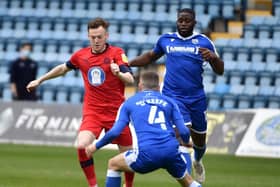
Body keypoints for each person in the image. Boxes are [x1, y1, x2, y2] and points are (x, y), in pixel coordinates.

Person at [26, 18, 135, 187]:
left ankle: (129, 186)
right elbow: (63, 68)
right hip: (94, 112)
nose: (96, 41)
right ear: (88, 36)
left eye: (99, 37)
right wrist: (40, 80)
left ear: (106, 35)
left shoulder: (117, 53)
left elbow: (130, 79)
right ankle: (93, 185)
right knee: (82, 145)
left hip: (117, 113)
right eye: (93, 37)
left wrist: (118, 73)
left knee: (128, 155)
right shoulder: (81, 56)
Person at [128, 8, 224, 183]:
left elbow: (220, 70)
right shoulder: (166, 40)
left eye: (187, 20)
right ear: (177, 21)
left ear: (194, 23)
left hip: (196, 99)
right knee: (181, 133)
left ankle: (197, 160)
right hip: (173, 97)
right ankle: (187, 180)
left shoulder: (204, 42)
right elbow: (150, 56)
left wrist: (214, 58)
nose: (184, 23)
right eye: (181, 20)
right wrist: (129, 63)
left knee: (200, 141)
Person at [85, 71, 202, 187]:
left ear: (140, 85)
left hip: (147, 153)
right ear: (158, 86)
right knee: (189, 182)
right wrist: (185, 141)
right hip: (171, 151)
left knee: (113, 164)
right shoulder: (170, 102)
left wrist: (96, 146)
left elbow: (115, 132)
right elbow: (184, 132)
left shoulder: (129, 103)